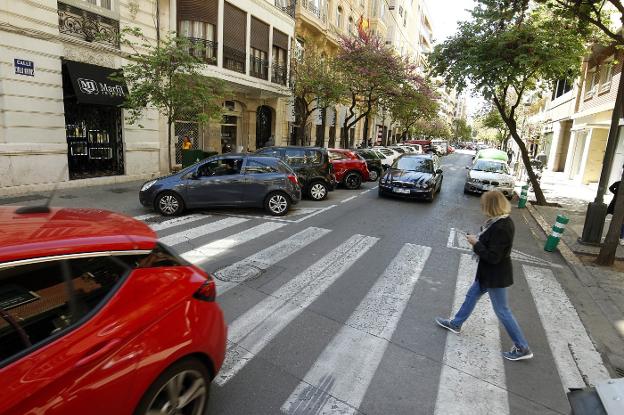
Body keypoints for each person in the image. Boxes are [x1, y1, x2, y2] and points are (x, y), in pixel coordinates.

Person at [435, 190, 533, 361]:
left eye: (484, 205)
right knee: (471, 295)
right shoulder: (498, 221)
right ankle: (456, 323)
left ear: (491, 206)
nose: (482, 208)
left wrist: (476, 243)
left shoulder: (502, 226)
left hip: (495, 276)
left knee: (502, 311)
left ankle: (522, 347)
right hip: (488, 274)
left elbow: (493, 257)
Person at [607, 165, 624, 245]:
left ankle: (621, 237)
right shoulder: (618, 183)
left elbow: (610, 188)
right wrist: (616, 193)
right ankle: (621, 237)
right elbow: (610, 188)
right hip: (615, 203)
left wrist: (616, 194)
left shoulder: (618, 183)